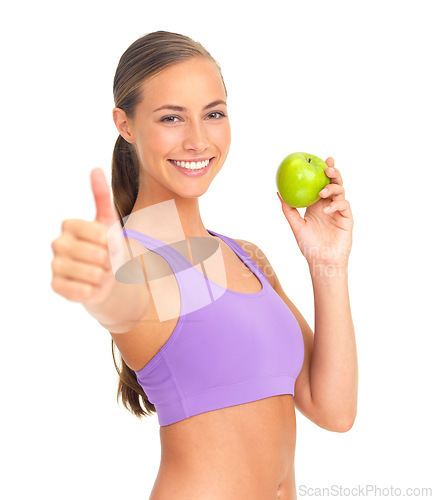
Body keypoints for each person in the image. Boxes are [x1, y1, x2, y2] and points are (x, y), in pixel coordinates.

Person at [51, 30, 358, 500]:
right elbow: (121, 296)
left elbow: (332, 409)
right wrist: (96, 281)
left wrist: (328, 263)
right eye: (171, 117)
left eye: (213, 114)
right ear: (125, 124)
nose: (197, 140)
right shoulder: (136, 259)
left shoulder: (246, 256)